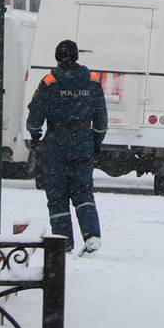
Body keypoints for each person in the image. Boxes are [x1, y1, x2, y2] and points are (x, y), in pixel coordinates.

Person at [26, 38, 106, 254]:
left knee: (57, 193)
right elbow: (101, 118)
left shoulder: (50, 81)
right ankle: (92, 235)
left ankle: (63, 241)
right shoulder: (92, 81)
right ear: (77, 56)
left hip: (56, 143)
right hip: (83, 141)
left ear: (57, 58)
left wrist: (35, 135)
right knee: (83, 191)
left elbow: (35, 114)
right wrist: (95, 142)